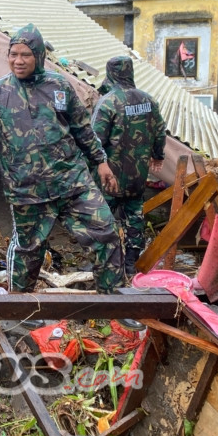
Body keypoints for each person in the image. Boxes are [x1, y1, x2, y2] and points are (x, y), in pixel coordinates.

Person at [0, 24, 125, 294]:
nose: (18, 61)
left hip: (72, 182)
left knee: (105, 234)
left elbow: (82, 129)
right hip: (26, 190)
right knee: (28, 251)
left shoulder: (59, 86)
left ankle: (117, 304)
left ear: (38, 55)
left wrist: (101, 162)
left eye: (26, 54)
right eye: (13, 54)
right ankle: (18, 308)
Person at [92, 56, 166, 278]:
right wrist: (157, 156)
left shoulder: (108, 102)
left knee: (101, 218)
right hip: (137, 175)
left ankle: (104, 264)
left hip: (110, 176)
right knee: (134, 216)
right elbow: (160, 131)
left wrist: (91, 166)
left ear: (110, 73)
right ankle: (132, 264)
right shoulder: (149, 101)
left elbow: (94, 140)